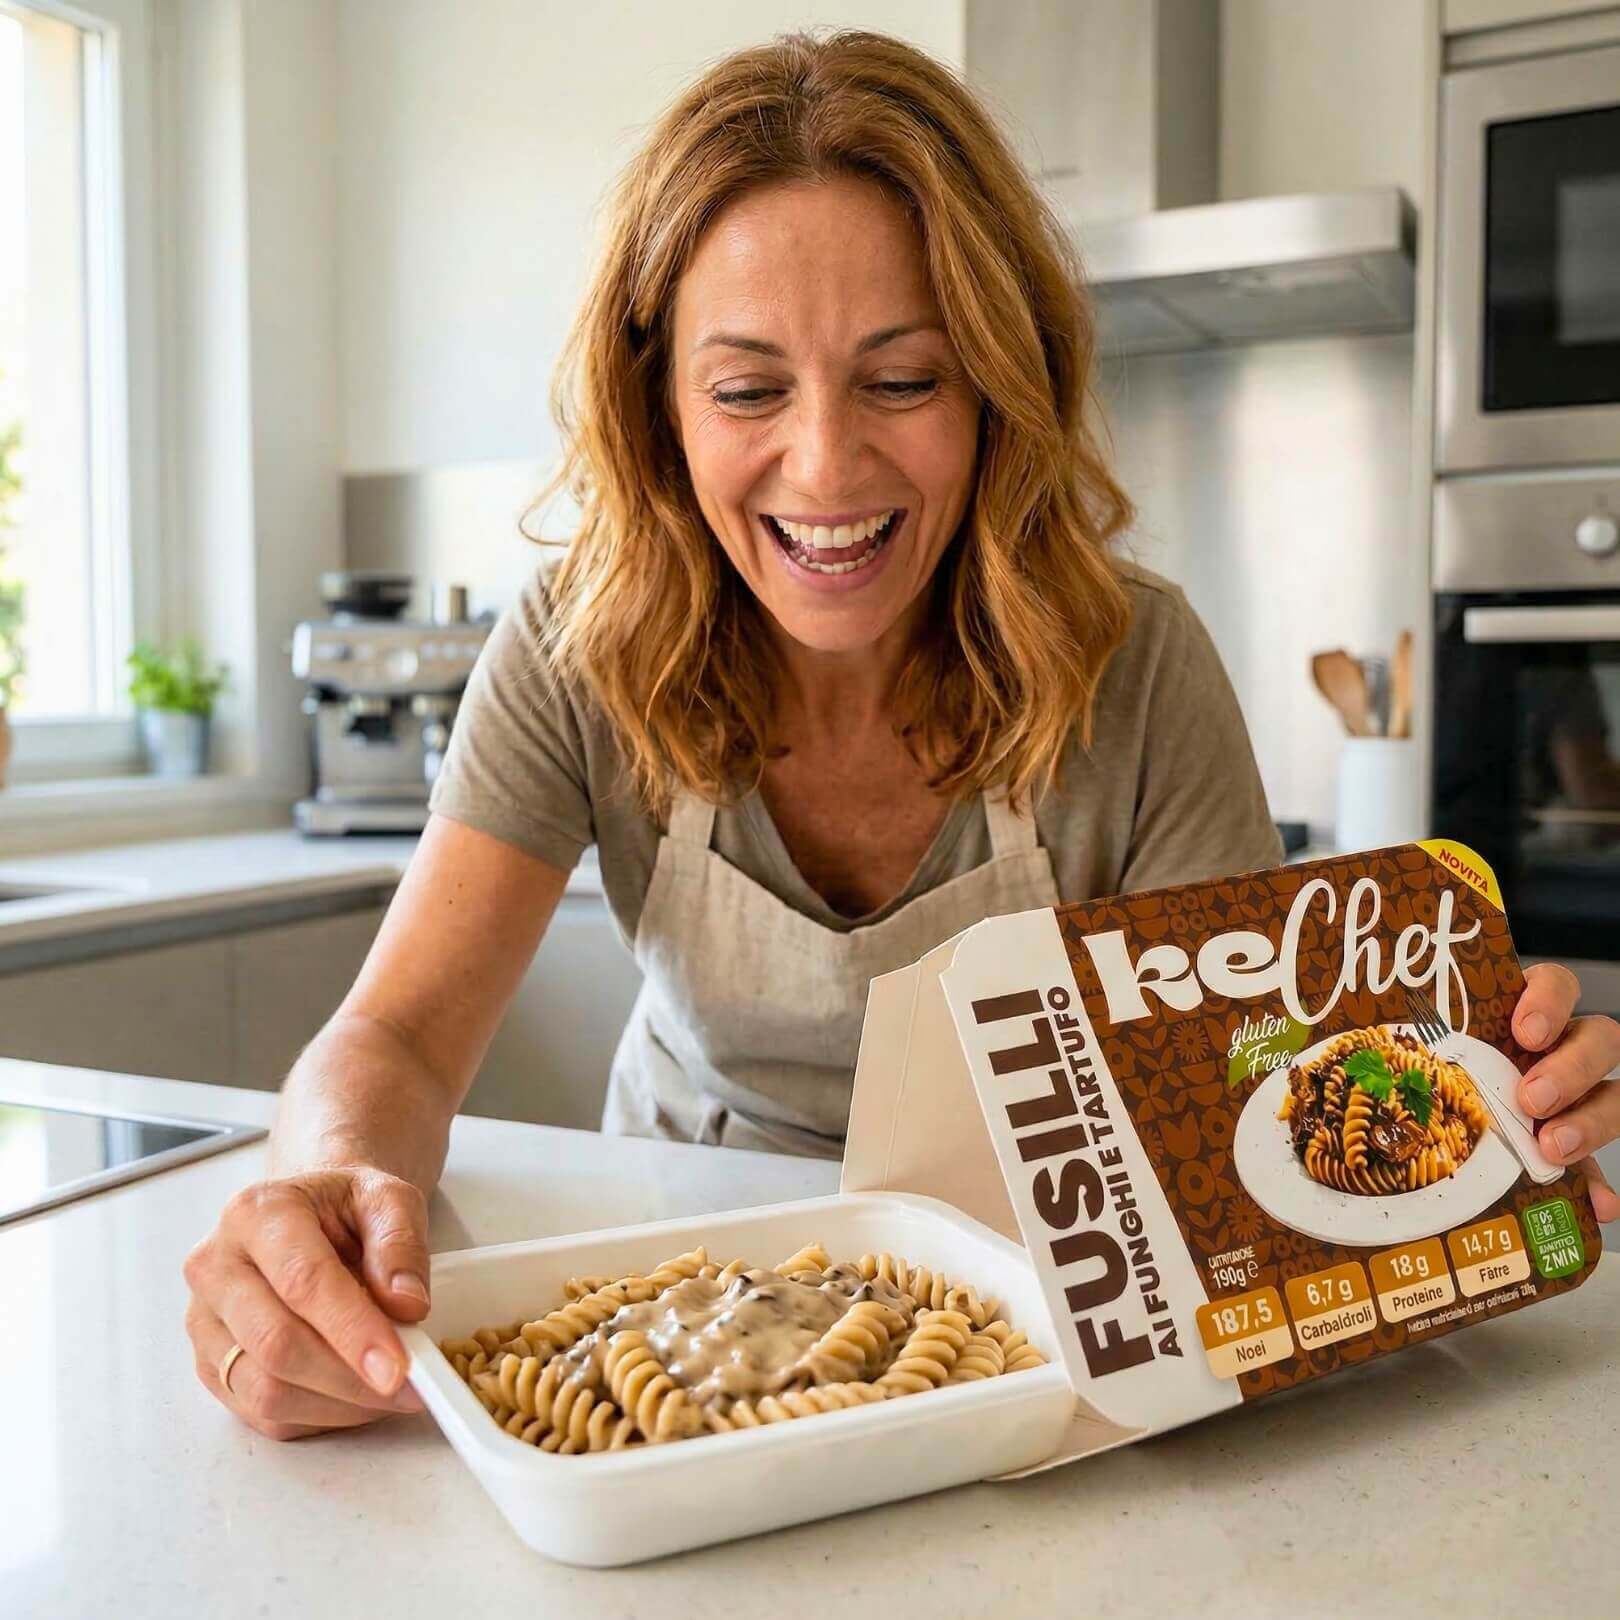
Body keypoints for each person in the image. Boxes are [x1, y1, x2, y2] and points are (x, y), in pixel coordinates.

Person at [184, 31, 1620, 1441]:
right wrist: (326, 1192)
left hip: (1036, 1322)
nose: (825, 466)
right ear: (659, 406)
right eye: (748, 389)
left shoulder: (1140, 663)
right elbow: (397, 1041)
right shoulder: (582, 640)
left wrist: (1480, 1142)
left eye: (904, 378)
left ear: (1001, 384)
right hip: (672, 1308)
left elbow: (1244, 1132)